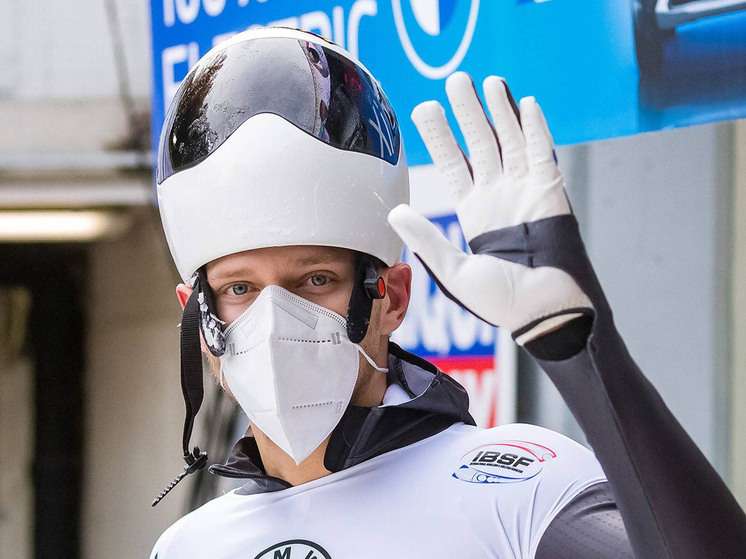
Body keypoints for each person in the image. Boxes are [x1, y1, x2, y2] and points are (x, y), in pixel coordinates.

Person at [150, 27, 746, 558]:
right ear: (198, 319)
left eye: (317, 280)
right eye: (239, 288)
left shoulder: (521, 492)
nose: (276, 319)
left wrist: (582, 356)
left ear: (392, 298)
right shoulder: (189, 546)